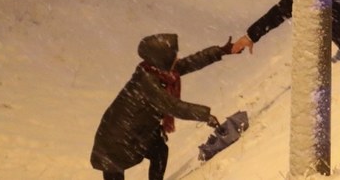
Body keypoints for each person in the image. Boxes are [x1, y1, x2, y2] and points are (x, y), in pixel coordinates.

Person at [90, 33, 233, 180]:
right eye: (173, 56)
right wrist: (205, 115)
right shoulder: (147, 82)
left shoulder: (156, 71)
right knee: (117, 170)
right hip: (115, 142)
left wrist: (220, 51)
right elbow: (172, 106)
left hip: (133, 134)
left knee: (159, 151)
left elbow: (189, 63)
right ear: (162, 59)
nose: (177, 59)